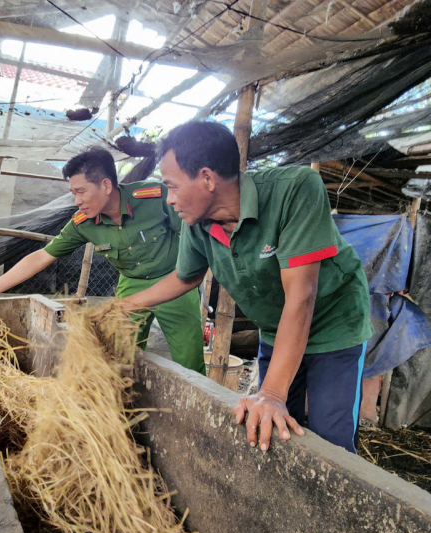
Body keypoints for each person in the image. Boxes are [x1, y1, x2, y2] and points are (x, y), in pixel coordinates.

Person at [122, 121, 373, 454]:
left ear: (207, 178)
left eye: (172, 186)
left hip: (333, 326)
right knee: (273, 429)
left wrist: (271, 394)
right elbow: (185, 277)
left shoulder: (295, 189)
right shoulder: (198, 223)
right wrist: (122, 306)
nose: (169, 200)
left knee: (331, 440)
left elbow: (302, 295)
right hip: (274, 329)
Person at [0, 146, 206, 375]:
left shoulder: (154, 198)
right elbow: (41, 256)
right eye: (73, 193)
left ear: (106, 185)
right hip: (131, 283)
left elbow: (193, 238)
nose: (76, 201)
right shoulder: (83, 223)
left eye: (81, 192)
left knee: (190, 362)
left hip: (176, 282)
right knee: (119, 357)